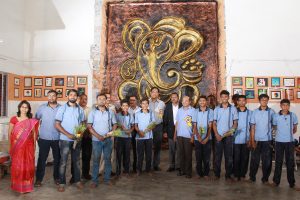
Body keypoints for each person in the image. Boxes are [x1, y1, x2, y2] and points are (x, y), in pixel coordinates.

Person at [55, 89, 85, 192]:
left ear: (77, 97)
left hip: (77, 140)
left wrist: (79, 134)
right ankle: (62, 183)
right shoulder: (62, 108)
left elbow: (82, 124)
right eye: (71, 95)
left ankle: (77, 181)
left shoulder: (80, 109)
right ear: (67, 96)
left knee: (76, 162)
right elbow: (57, 124)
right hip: (65, 140)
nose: (73, 96)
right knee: (63, 162)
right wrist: (68, 135)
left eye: (75, 95)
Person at [8, 100, 39, 193]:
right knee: (17, 165)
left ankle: (27, 186)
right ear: (19, 108)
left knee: (28, 166)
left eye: (26, 107)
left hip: (28, 146)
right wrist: (11, 146)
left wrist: (34, 147)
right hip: (17, 147)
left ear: (28, 109)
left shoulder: (31, 121)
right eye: (22, 107)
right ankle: (17, 185)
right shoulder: (14, 119)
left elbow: (34, 134)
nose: (24, 109)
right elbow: (10, 133)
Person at [88, 93, 117, 187]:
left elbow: (115, 124)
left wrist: (111, 132)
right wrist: (98, 136)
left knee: (108, 159)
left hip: (108, 140)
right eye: (99, 99)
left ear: (106, 101)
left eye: (103, 99)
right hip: (96, 140)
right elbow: (89, 126)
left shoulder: (110, 112)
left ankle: (107, 179)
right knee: (96, 160)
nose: (101, 100)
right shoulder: (92, 112)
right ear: (97, 101)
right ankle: (94, 181)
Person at [271, 99, 300, 190]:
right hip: (279, 142)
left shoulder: (293, 115)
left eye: (287, 105)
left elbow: (295, 128)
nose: (285, 107)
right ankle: (276, 182)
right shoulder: (275, 116)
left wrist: (289, 135)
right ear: (280, 106)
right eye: (283, 105)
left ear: (289, 106)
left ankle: (292, 183)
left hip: (290, 142)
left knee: (290, 163)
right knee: (278, 162)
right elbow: (274, 127)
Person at [35, 90, 61, 187]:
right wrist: (36, 133)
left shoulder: (62, 108)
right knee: (42, 159)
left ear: (56, 97)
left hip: (57, 138)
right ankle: (38, 179)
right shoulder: (41, 108)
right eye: (49, 96)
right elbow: (36, 120)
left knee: (57, 159)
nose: (51, 98)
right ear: (47, 97)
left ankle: (57, 178)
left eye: (53, 96)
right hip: (44, 138)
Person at [248, 94, 275, 184]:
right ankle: (252, 177)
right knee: (254, 160)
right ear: (259, 101)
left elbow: (275, 125)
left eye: (266, 100)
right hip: (257, 140)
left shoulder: (271, 112)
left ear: (268, 101)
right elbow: (252, 127)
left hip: (267, 141)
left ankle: (265, 179)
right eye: (262, 100)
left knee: (267, 161)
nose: (264, 101)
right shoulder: (254, 112)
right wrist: (252, 141)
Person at [213, 90, 238, 181]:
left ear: (228, 97)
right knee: (217, 156)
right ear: (220, 97)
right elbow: (214, 123)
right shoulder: (216, 109)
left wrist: (229, 132)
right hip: (218, 136)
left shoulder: (233, 109)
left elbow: (235, 123)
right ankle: (217, 174)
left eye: (226, 97)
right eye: (222, 97)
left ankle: (228, 175)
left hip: (228, 137)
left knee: (229, 156)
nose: (224, 98)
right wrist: (216, 134)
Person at [174, 96, 196, 178]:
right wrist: (175, 134)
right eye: (183, 101)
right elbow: (177, 123)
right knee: (181, 154)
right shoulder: (179, 110)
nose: (184, 102)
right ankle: (182, 170)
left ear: (190, 102)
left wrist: (193, 136)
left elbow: (194, 124)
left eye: (186, 100)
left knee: (188, 155)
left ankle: (188, 172)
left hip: (188, 136)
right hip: (180, 135)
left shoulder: (193, 110)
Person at [193, 95, 214, 179]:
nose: (202, 102)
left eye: (204, 101)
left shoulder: (210, 111)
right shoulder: (195, 111)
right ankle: (199, 173)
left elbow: (210, 126)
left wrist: (207, 137)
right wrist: (198, 136)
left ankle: (206, 173)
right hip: (197, 138)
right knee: (198, 156)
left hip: (207, 139)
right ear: (198, 102)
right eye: (200, 101)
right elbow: (194, 125)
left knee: (207, 157)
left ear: (206, 102)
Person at [135, 98, 156, 176]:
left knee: (149, 154)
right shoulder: (137, 113)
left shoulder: (151, 113)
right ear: (141, 104)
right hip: (140, 137)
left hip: (149, 137)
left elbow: (153, 124)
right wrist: (139, 132)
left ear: (148, 104)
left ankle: (148, 170)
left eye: (146, 103)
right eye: (143, 103)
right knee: (140, 154)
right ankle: (139, 170)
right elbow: (135, 125)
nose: (145, 105)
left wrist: (146, 131)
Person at [233, 95, 252, 181]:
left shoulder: (250, 113)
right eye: (239, 100)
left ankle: (243, 174)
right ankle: (236, 174)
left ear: (246, 101)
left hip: (246, 139)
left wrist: (251, 139)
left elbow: (252, 127)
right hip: (235, 139)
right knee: (236, 157)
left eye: (243, 100)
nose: (241, 102)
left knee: (245, 158)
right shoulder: (233, 112)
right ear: (237, 102)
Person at [163, 92, 182, 172]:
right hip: (170, 129)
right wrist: (165, 131)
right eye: (172, 97)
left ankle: (179, 166)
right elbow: (165, 119)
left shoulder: (182, 106)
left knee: (179, 149)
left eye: (175, 97)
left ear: (178, 98)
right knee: (171, 149)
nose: (173, 98)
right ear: (171, 99)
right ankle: (172, 165)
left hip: (181, 129)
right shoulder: (168, 106)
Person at [115, 99, 134, 177]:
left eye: (126, 105)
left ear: (128, 106)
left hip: (128, 138)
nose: (125, 107)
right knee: (119, 154)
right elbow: (116, 125)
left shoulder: (130, 115)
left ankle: (126, 170)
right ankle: (118, 171)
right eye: (123, 105)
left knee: (127, 154)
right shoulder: (117, 115)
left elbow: (133, 125)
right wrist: (121, 127)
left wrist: (130, 131)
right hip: (119, 137)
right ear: (121, 106)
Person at [149, 87, 165, 171]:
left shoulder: (162, 103)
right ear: (150, 93)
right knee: (148, 146)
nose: (154, 93)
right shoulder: (146, 102)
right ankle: (148, 164)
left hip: (158, 126)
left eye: (156, 92)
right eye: (153, 92)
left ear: (158, 94)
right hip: (148, 127)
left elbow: (162, 115)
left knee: (157, 146)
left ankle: (156, 165)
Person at [79, 94, 92, 180]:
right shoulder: (76, 109)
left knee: (87, 155)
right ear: (78, 99)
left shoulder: (90, 110)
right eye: (82, 99)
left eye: (86, 99)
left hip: (87, 135)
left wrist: (88, 132)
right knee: (75, 156)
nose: (84, 101)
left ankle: (86, 174)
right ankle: (75, 176)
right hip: (77, 134)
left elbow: (91, 122)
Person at [128, 95, 141, 173]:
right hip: (128, 131)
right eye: (130, 100)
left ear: (137, 101)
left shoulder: (140, 110)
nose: (132, 102)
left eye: (133, 100)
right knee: (127, 150)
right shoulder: (126, 109)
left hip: (137, 131)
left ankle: (135, 167)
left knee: (136, 150)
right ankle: (127, 167)